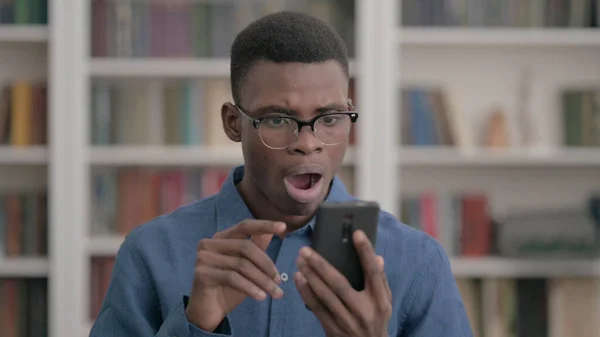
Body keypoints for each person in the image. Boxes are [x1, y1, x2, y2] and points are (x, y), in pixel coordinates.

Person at [89, 11, 472, 337]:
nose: (308, 143)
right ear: (233, 122)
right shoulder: (150, 253)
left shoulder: (418, 261)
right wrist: (197, 325)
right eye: (277, 119)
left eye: (330, 118)